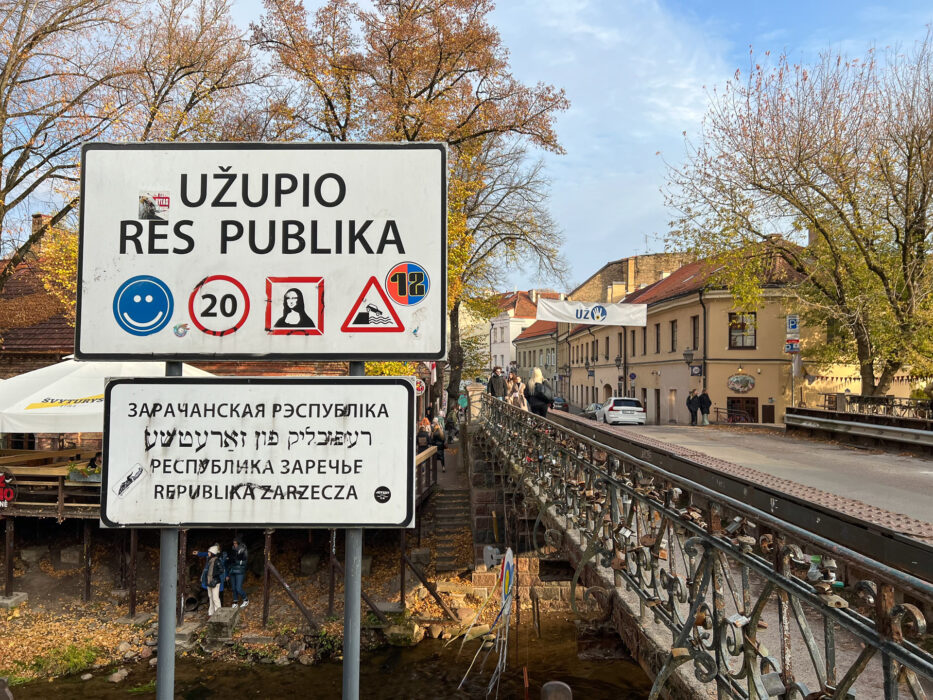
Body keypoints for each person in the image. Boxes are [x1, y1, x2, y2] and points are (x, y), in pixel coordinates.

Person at [193, 544, 225, 616]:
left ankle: (218, 614)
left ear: (213, 553)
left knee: (215, 598)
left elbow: (222, 570)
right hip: (209, 581)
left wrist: (214, 574)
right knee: (210, 597)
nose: (208, 553)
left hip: (215, 582)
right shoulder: (209, 560)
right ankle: (211, 613)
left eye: (209, 552)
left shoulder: (217, 560)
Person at [228, 536, 249, 609]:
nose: (234, 544)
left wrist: (236, 561)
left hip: (240, 571)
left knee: (238, 588)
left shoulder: (243, 549)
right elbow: (230, 561)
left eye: (236, 543)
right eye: (233, 543)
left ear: (239, 543)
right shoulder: (232, 549)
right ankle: (235, 602)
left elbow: (245, 562)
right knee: (233, 588)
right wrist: (230, 561)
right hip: (232, 570)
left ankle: (245, 599)